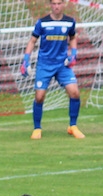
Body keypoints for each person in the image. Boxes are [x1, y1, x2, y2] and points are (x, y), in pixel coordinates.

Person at [21, 0, 84, 140]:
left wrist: (73, 53)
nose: (56, 6)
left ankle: (73, 126)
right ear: (50, 5)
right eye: (54, 3)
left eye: (59, 3)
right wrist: (26, 60)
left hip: (62, 65)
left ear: (63, 4)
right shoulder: (42, 22)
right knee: (39, 97)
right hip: (44, 65)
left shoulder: (69, 22)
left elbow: (73, 37)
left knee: (75, 93)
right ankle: (37, 128)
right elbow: (32, 41)